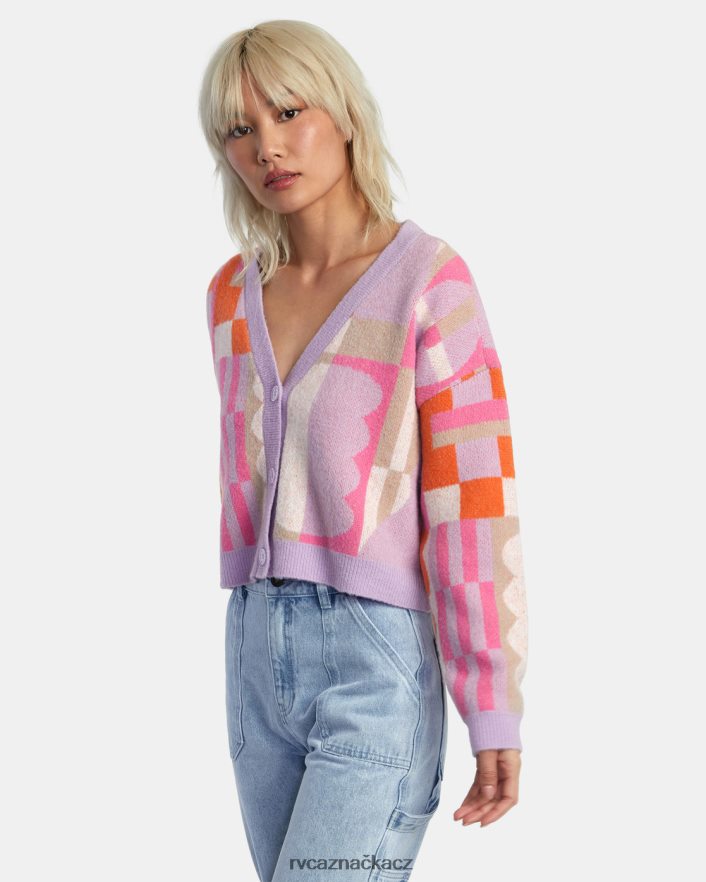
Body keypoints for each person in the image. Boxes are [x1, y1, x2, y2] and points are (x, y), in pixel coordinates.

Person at [199, 19, 529, 882]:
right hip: (251, 651)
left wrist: (490, 700)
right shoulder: (231, 295)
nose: (267, 146)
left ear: (343, 112)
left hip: (375, 658)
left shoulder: (428, 280)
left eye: (288, 111)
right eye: (239, 128)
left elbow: (473, 498)